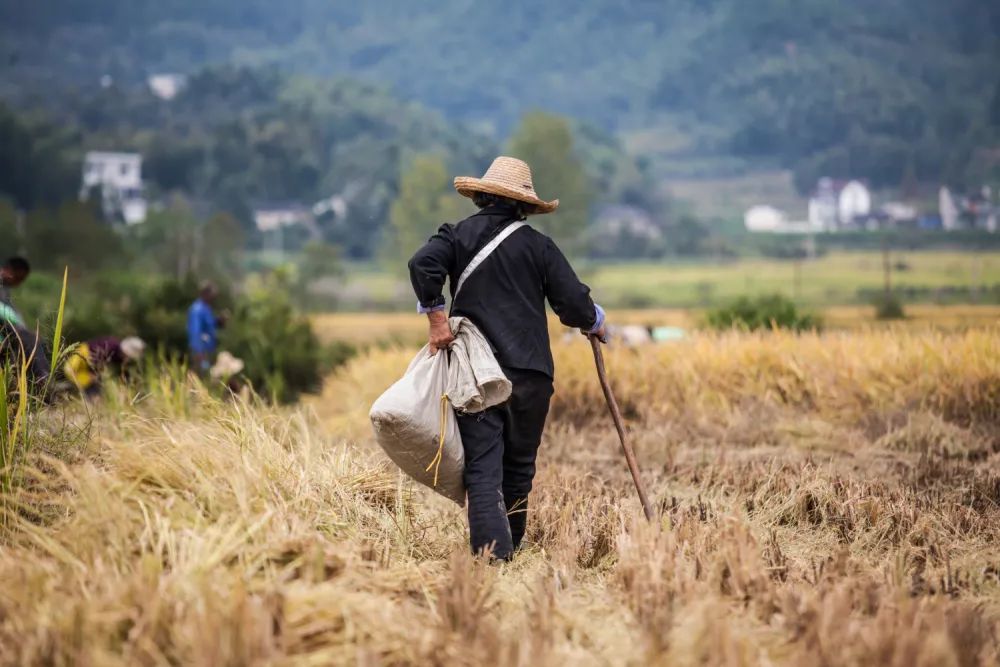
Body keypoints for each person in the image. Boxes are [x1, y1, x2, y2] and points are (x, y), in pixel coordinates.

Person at [408, 156, 607, 561]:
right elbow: (573, 305)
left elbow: (421, 263)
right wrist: (596, 321)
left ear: (481, 196)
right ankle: (510, 553)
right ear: (524, 205)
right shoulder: (539, 246)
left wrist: (436, 318)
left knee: (483, 469)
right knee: (518, 471)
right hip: (532, 375)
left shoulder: (457, 235)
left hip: (478, 373)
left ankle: (493, 561)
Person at [0, 256, 49, 383]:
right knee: (30, 340)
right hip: (6, 328)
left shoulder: (5, 290)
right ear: (9, 270)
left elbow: (11, 312)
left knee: (36, 342)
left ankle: (35, 386)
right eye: (18, 278)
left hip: (7, 331)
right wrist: (20, 328)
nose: (18, 283)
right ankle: (44, 383)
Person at [64, 336, 146, 397]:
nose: (128, 358)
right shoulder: (112, 346)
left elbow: (124, 372)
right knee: (91, 384)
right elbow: (96, 358)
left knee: (93, 385)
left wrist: (129, 385)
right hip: (80, 361)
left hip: (86, 366)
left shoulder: (119, 357)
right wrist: (94, 374)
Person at [187, 281, 220, 373]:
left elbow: (209, 325)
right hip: (201, 351)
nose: (214, 298)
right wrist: (199, 352)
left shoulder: (206, 308)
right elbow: (195, 332)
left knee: (207, 374)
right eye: (212, 295)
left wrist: (218, 322)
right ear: (205, 294)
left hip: (208, 350)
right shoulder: (197, 309)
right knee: (200, 375)